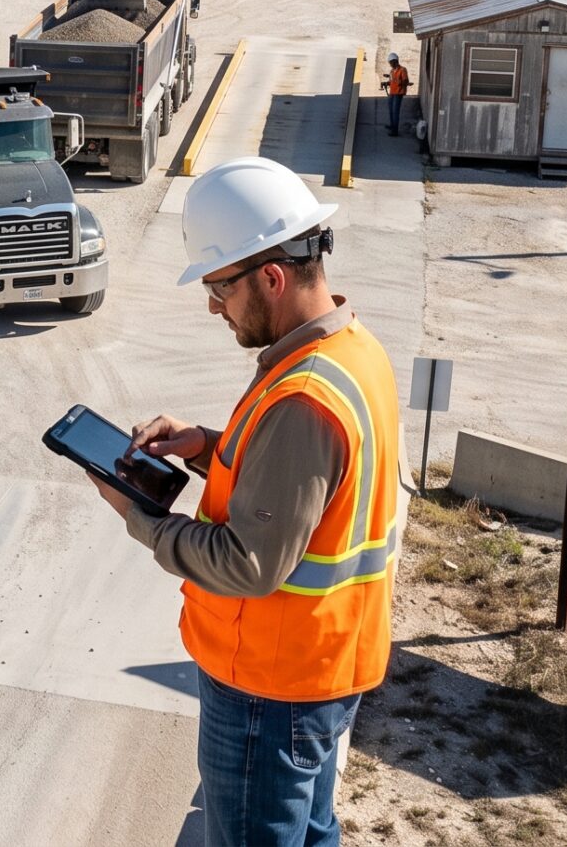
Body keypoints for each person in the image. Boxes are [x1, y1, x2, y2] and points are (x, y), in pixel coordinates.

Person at [86, 157, 401, 847]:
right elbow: (304, 487)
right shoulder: (353, 351)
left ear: (272, 278)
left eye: (219, 286)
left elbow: (250, 563)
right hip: (318, 669)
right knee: (312, 833)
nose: (213, 306)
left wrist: (143, 519)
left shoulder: (303, 397)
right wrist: (206, 446)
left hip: (270, 689)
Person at [383, 54, 409, 137]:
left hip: (398, 94)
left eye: (391, 62)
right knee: (391, 110)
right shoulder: (392, 71)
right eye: (390, 63)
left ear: (396, 61)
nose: (391, 64)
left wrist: (398, 81)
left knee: (395, 112)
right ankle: (392, 125)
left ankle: (395, 131)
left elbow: (405, 81)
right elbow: (391, 81)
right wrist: (386, 83)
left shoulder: (402, 70)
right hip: (392, 93)